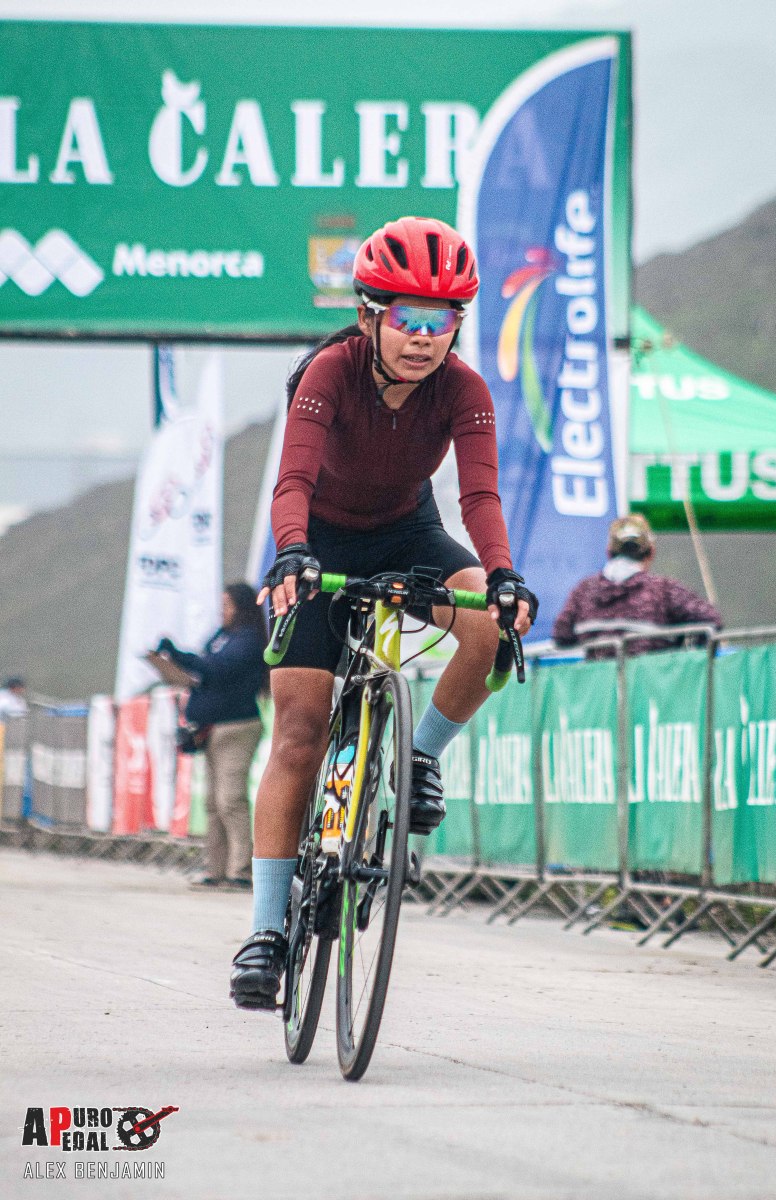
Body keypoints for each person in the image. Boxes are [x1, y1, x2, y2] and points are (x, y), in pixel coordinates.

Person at [230, 216, 538, 1010]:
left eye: (443, 319)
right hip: (319, 541)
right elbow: (292, 483)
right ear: (369, 314)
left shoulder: (463, 389)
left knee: (489, 627)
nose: (424, 337)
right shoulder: (328, 372)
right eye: (408, 317)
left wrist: (502, 575)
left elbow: (479, 496)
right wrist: (292, 553)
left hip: (407, 534)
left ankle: (418, 758)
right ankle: (264, 933)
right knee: (299, 732)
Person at [154, 583, 267, 890]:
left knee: (231, 799)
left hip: (237, 727)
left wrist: (178, 655)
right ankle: (216, 869)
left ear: (241, 607)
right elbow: (206, 668)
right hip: (212, 728)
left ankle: (241, 870)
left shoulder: (248, 640)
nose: (222, 611)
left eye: (227, 605)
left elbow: (216, 669)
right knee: (213, 803)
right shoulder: (222, 637)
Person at [552, 514, 722, 657]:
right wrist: (685, 659)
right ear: (651, 552)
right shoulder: (664, 591)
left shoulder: (583, 591)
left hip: (597, 686)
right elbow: (711, 620)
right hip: (651, 686)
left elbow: (561, 636)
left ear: (608, 552)